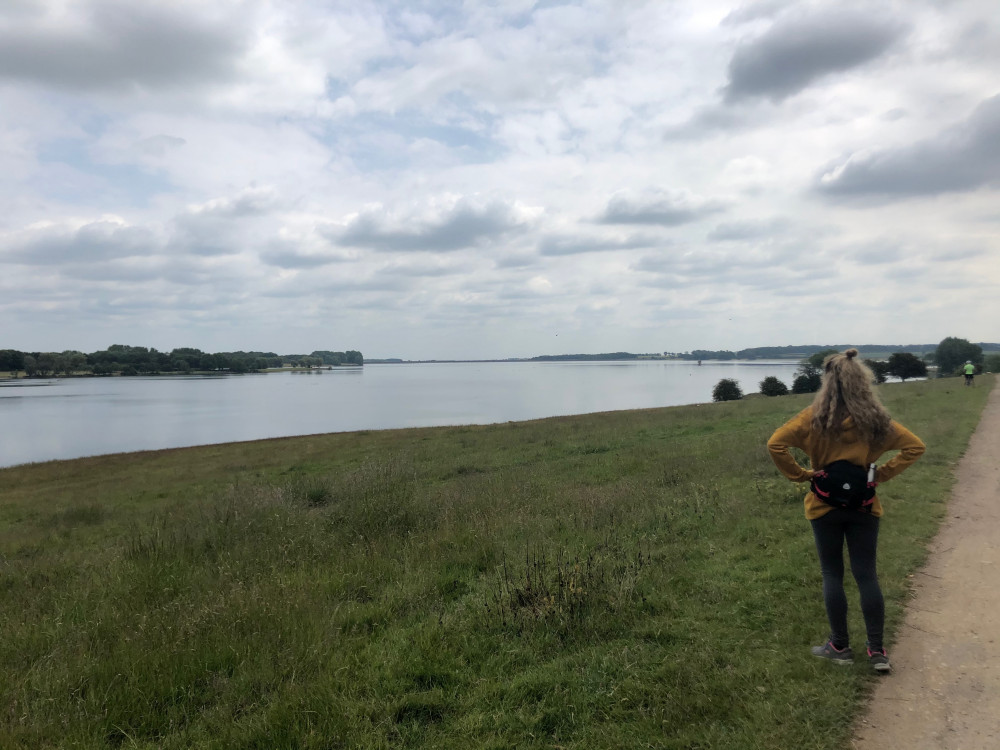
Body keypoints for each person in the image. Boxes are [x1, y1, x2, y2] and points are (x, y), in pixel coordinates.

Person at [767, 349, 925, 673]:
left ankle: (839, 646)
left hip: (823, 506)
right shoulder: (877, 421)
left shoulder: (812, 418)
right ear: (862, 383)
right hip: (864, 506)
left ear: (828, 383)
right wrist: (878, 476)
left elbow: (775, 444)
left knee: (832, 573)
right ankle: (877, 651)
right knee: (866, 574)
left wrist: (803, 475)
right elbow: (915, 446)